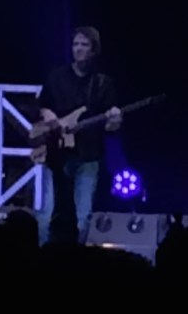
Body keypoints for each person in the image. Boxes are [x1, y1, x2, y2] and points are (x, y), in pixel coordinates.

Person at [31, 26, 121, 243]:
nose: (78, 49)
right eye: (75, 44)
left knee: (83, 215)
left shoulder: (103, 84)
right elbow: (41, 107)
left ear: (94, 50)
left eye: (84, 45)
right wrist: (51, 118)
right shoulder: (57, 77)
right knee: (44, 215)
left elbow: (111, 128)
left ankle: (75, 257)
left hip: (88, 155)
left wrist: (115, 119)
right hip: (55, 154)